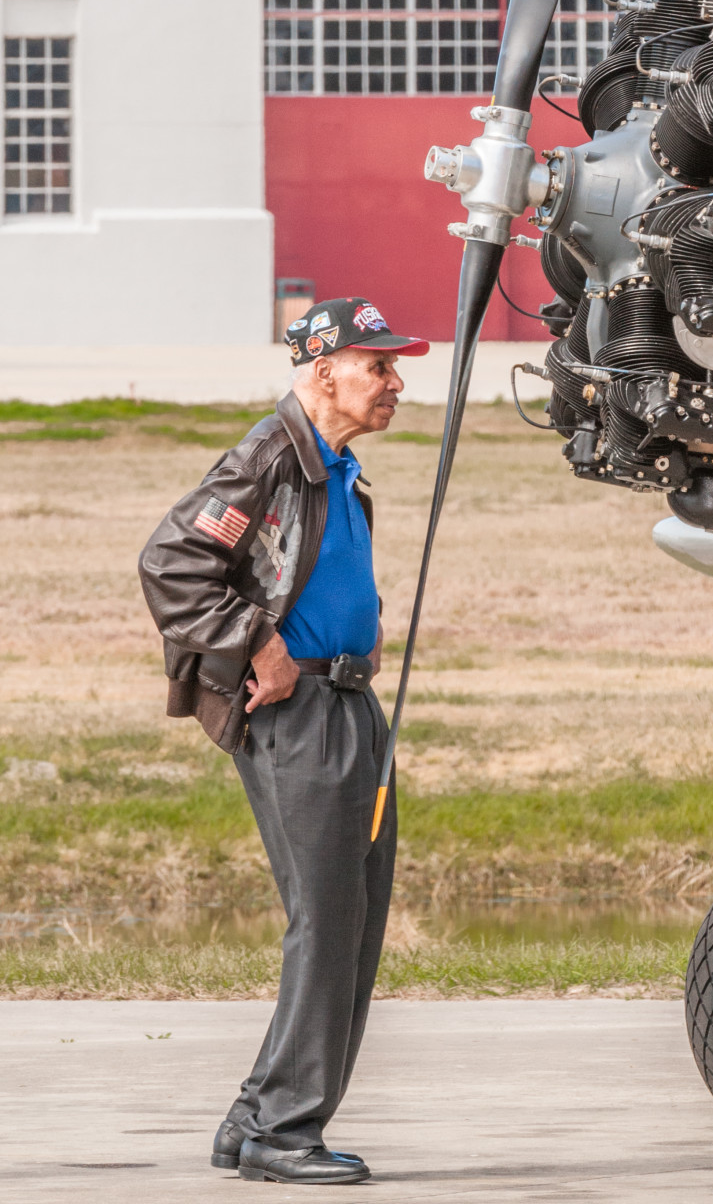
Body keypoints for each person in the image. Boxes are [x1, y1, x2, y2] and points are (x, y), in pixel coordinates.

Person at [138, 297, 429, 1185]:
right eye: (377, 365)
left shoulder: (333, 464)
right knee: (329, 925)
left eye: (392, 365)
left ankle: (254, 1117)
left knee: (355, 919)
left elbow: (302, 565)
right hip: (299, 721)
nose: (394, 381)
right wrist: (256, 643)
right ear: (325, 369)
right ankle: (284, 1134)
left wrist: (362, 620)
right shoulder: (270, 455)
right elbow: (171, 563)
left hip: (347, 708)